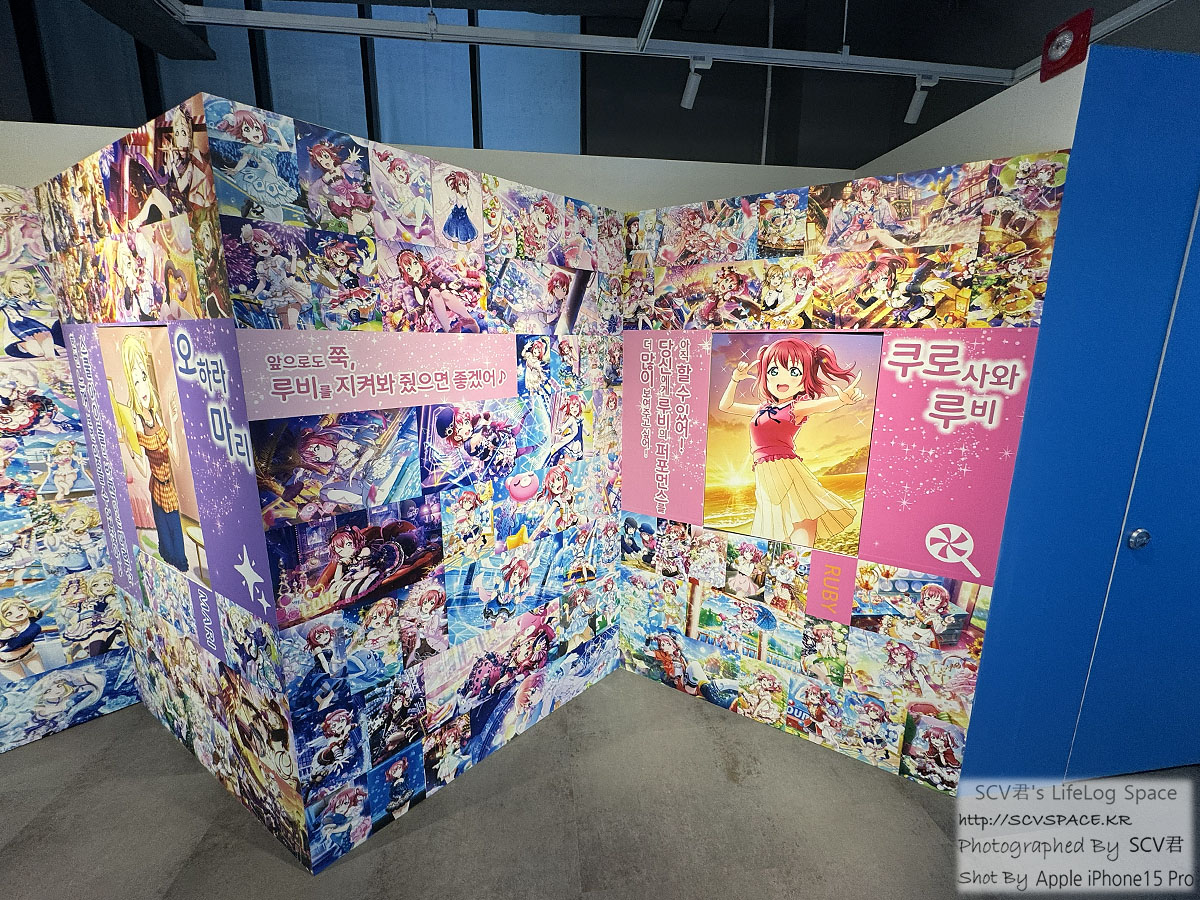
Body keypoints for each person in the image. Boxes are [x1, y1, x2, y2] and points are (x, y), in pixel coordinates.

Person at [717, 337, 865, 546]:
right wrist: (735, 380)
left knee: (803, 512)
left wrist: (842, 400)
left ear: (806, 377)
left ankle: (803, 554)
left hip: (786, 466)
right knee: (776, 520)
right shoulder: (762, 408)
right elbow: (726, 406)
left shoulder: (796, 407)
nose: (782, 379)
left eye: (794, 372)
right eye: (773, 371)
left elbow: (822, 406)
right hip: (764, 471)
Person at [119, 334, 189, 571]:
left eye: (143, 377)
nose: (142, 386)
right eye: (136, 380)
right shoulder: (138, 421)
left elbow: (174, 456)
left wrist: (174, 422)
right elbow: (141, 466)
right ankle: (170, 559)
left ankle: (179, 561)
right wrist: (130, 448)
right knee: (165, 529)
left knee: (175, 526)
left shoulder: (156, 416)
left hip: (169, 485)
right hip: (157, 484)